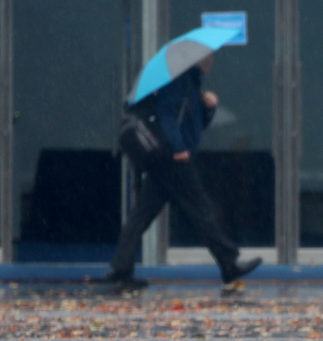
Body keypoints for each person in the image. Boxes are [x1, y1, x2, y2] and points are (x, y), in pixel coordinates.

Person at [105, 54, 260, 291]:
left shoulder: (192, 85)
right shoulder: (178, 81)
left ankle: (120, 268)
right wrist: (178, 149)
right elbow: (168, 115)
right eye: (207, 58)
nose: (211, 62)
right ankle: (229, 263)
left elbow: (195, 126)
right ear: (195, 60)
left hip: (168, 159)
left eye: (212, 58)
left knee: (142, 214)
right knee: (201, 209)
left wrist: (209, 108)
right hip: (174, 159)